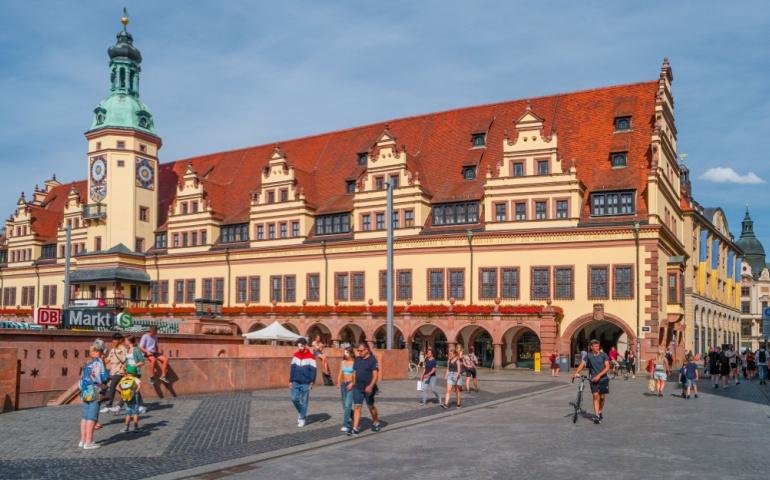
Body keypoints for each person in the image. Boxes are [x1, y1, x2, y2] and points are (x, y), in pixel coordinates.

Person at [573, 339, 610, 424]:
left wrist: (599, 376)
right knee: (595, 396)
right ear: (591, 347)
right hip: (593, 379)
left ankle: (600, 411)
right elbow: (582, 364)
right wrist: (576, 372)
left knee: (602, 398)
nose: (597, 348)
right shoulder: (588, 355)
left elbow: (607, 367)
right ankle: (597, 416)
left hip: (603, 379)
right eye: (595, 346)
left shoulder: (604, 355)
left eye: (598, 346)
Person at [79, 343, 108, 449]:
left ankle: (82, 440)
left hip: (85, 391)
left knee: (85, 416)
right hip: (95, 390)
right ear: (99, 353)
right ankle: (88, 442)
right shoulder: (99, 363)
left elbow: (82, 378)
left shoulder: (87, 363)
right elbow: (104, 377)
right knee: (92, 417)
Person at [351, 342, 381, 435]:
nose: (359, 352)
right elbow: (354, 373)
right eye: (358, 350)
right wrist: (353, 383)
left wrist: (371, 386)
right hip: (358, 387)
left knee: (370, 406)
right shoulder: (357, 359)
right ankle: (355, 428)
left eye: (361, 350)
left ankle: (376, 421)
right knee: (357, 406)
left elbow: (375, 375)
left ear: (366, 350)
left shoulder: (372, 360)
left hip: (369, 388)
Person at [289, 337, 316, 427]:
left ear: (304, 345)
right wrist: (290, 380)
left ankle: (302, 418)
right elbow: (292, 368)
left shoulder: (311, 356)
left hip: (306, 383)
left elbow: (313, 370)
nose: (299, 347)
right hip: (296, 381)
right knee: (294, 398)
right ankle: (302, 412)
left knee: (304, 401)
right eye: (298, 346)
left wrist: (311, 382)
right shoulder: (296, 355)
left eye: (300, 346)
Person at [101, 333, 127, 414]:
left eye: (115, 339)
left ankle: (109, 405)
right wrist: (102, 358)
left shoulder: (123, 349)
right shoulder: (112, 350)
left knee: (112, 385)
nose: (113, 341)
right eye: (113, 339)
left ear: (120, 340)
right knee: (124, 390)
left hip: (120, 372)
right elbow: (107, 360)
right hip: (113, 372)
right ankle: (124, 404)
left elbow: (125, 361)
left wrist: (123, 369)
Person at [124, 335, 147, 414]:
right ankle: (139, 405)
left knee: (134, 388)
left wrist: (134, 365)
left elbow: (142, 361)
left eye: (126, 340)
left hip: (135, 371)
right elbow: (126, 361)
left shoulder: (136, 350)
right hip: (128, 372)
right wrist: (125, 368)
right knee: (132, 388)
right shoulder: (128, 349)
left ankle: (139, 405)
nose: (125, 341)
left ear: (129, 341)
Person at [117, 365, 142, 432]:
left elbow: (117, 387)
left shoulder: (123, 379)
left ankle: (126, 428)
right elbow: (139, 386)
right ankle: (136, 428)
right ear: (134, 373)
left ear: (127, 372)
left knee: (128, 412)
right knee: (135, 413)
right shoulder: (135, 379)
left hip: (126, 397)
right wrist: (135, 392)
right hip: (134, 397)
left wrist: (122, 392)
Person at [337, 346, 355, 433]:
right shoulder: (343, 362)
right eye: (344, 352)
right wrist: (338, 382)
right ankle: (354, 416)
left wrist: (352, 383)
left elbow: (356, 375)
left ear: (351, 353)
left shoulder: (354, 363)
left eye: (347, 352)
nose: (345, 354)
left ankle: (346, 425)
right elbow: (340, 373)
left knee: (348, 405)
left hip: (351, 384)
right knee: (344, 405)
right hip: (343, 384)